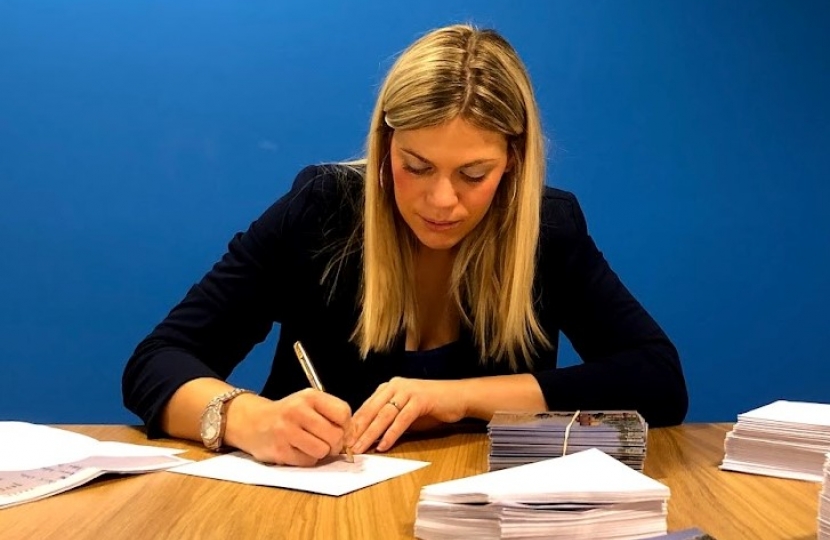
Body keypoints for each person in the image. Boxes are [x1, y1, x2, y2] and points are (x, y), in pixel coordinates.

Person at [122, 23, 688, 467]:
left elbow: (658, 380)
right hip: (304, 514)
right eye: (416, 167)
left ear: (513, 162)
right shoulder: (323, 210)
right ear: (385, 144)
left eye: (473, 174)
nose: (442, 201)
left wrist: (460, 397)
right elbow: (155, 363)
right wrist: (247, 419)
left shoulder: (547, 228)